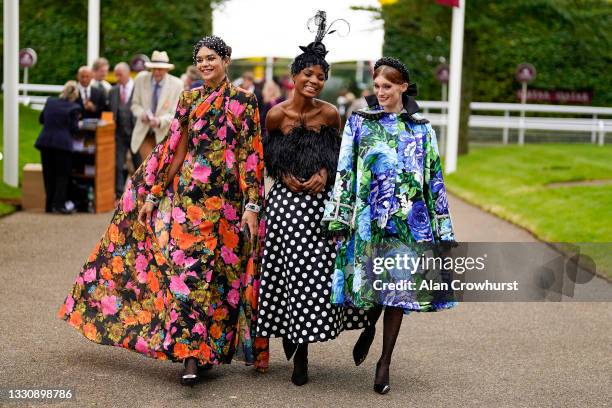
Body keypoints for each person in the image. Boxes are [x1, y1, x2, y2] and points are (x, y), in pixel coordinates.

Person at [58, 35, 269, 386]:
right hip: (190, 205)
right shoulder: (189, 99)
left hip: (229, 207)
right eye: (200, 59)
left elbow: (251, 154)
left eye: (211, 58)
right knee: (186, 278)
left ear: (226, 60)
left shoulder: (245, 101)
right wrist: (153, 195)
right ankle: (187, 355)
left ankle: (207, 352)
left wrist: (251, 205)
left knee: (219, 283)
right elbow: (176, 150)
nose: (205, 64)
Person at [322, 57, 457, 394]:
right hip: (369, 221)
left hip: (410, 223)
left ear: (403, 87)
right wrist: (339, 217)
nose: (381, 92)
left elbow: (434, 181)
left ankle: (384, 362)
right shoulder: (359, 124)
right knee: (370, 289)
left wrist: (443, 230)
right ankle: (370, 326)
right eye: (377, 86)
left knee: (398, 292)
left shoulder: (422, 128)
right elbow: (345, 173)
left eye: (388, 87)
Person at [256, 11, 368, 387]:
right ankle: (294, 343)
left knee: (315, 278)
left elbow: (338, 158)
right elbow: (267, 159)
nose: (315, 81)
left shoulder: (332, 114)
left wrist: (325, 174)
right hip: (285, 206)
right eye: (309, 74)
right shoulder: (275, 116)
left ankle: (302, 346)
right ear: (294, 76)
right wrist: (282, 174)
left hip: (318, 208)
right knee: (287, 277)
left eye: (321, 76)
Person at [35, 80, 82, 214]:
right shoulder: (74, 108)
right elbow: (74, 129)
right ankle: (59, 205)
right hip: (63, 145)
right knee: (62, 175)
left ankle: (49, 205)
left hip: (45, 142)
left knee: (48, 174)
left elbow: (41, 120)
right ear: (74, 95)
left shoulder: (50, 102)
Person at [130, 50, 183, 165]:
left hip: (163, 133)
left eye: (160, 69)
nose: (157, 72)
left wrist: (159, 121)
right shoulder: (140, 79)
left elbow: (175, 112)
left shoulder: (177, 84)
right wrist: (142, 114)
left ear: (167, 69)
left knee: (159, 169)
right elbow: (135, 104)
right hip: (144, 132)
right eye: (154, 68)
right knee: (149, 166)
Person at [109, 62, 136, 199]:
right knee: (118, 164)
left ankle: (139, 193)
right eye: (116, 75)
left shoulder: (137, 88)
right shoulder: (113, 91)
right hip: (119, 133)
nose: (117, 77)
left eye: (120, 74)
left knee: (139, 164)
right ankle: (119, 194)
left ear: (127, 73)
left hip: (135, 132)